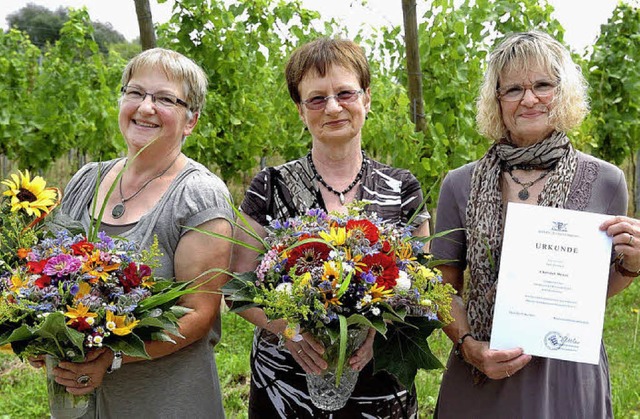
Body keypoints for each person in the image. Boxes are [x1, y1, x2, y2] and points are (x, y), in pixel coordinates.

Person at [431, 30, 639, 418]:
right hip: (481, 372)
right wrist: (468, 347)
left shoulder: (608, 181)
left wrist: (632, 265)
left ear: (563, 93)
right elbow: (443, 288)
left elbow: (592, 290)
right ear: (496, 100)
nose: (529, 98)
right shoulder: (459, 185)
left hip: (567, 377)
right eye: (512, 89)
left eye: (543, 84)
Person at [230, 37, 430, 418]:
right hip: (286, 383)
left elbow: (422, 285)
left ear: (367, 99)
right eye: (317, 98)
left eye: (345, 93)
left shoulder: (403, 187)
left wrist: (379, 330)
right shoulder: (269, 186)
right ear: (300, 111)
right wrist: (289, 332)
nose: (333, 107)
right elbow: (237, 288)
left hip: (378, 382)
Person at [35, 48, 233, 418]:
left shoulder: (197, 195)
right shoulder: (86, 179)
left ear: (191, 120)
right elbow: (46, 274)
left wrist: (111, 358)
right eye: (135, 93)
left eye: (164, 99)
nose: (145, 108)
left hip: (162, 404)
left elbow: (198, 313)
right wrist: (38, 337)